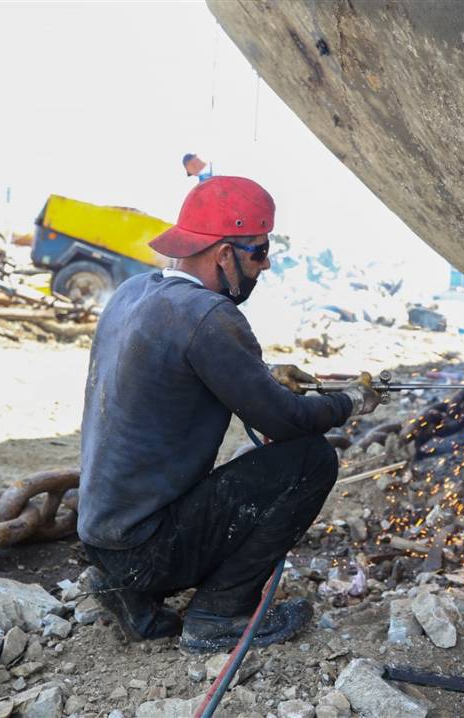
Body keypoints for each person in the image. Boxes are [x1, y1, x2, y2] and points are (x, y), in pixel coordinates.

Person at [77, 176, 381, 652]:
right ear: (223, 254)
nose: (265, 265)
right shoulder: (207, 315)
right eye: (258, 252)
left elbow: (178, 373)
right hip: (148, 549)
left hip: (104, 537)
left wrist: (264, 373)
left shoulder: (134, 293)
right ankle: (219, 615)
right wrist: (352, 402)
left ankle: (132, 596)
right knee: (311, 459)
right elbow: (284, 422)